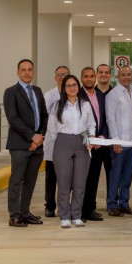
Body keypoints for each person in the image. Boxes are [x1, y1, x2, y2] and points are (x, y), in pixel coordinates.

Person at [3, 58, 48, 227]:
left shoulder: (37, 91)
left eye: (30, 69)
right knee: (16, 181)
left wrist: (40, 135)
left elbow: (44, 115)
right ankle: (14, 216)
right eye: (23, 70)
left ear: (33, 72)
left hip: (38, 144)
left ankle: (24, 213)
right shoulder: (11, 92)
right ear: (18, 72)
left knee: (30, 181)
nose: (27, 72)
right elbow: (12, 118)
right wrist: (32, 137)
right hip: (20, 145)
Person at [48, 74, 96, 228]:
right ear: (64, 88)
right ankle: (64, 215)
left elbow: (91, 124)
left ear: (78, 86)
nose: (72, 88)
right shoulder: (57, 105)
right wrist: (61, 140)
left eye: (74, 84)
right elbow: (51, 127)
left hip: (82, 143)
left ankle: (76, 215)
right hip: (63, 141)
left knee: (80, 183)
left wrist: (91, 137)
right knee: (64, 182)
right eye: (68, 85)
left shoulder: (85, 105)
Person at [106, 66, 132, 217]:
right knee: (115, 175)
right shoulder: (113, 94)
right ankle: (112, 204)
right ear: (118, 77)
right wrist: (115, 140)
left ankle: (124, 204)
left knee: (127, 175)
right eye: (123, 75)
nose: (126, 77)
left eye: (129, 75)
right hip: (119, 143)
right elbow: (110, 118)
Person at [80, 66, 111, 222]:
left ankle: (90, 209)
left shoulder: (100, 95)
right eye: (86, 76)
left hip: (98, 144)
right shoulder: (77, 95)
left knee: (93, 178)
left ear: (95, 78)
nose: (89, 79)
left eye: (91, 76)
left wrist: (101, 137)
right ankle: (80, 210)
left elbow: (105, 119)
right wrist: (89, 139)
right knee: (81, 179)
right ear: (81, 78)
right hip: (83, 145)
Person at [43, 65, 71, 218]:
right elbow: (46, 117)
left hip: (69, 141)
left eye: (65, 74)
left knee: (67, 176)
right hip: (52, 141)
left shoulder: (73, 93)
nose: (62, 77)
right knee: (51, 177)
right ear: (55, 78)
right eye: (59, 74)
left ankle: (65, 205)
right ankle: (49, 205)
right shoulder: (49, 95)